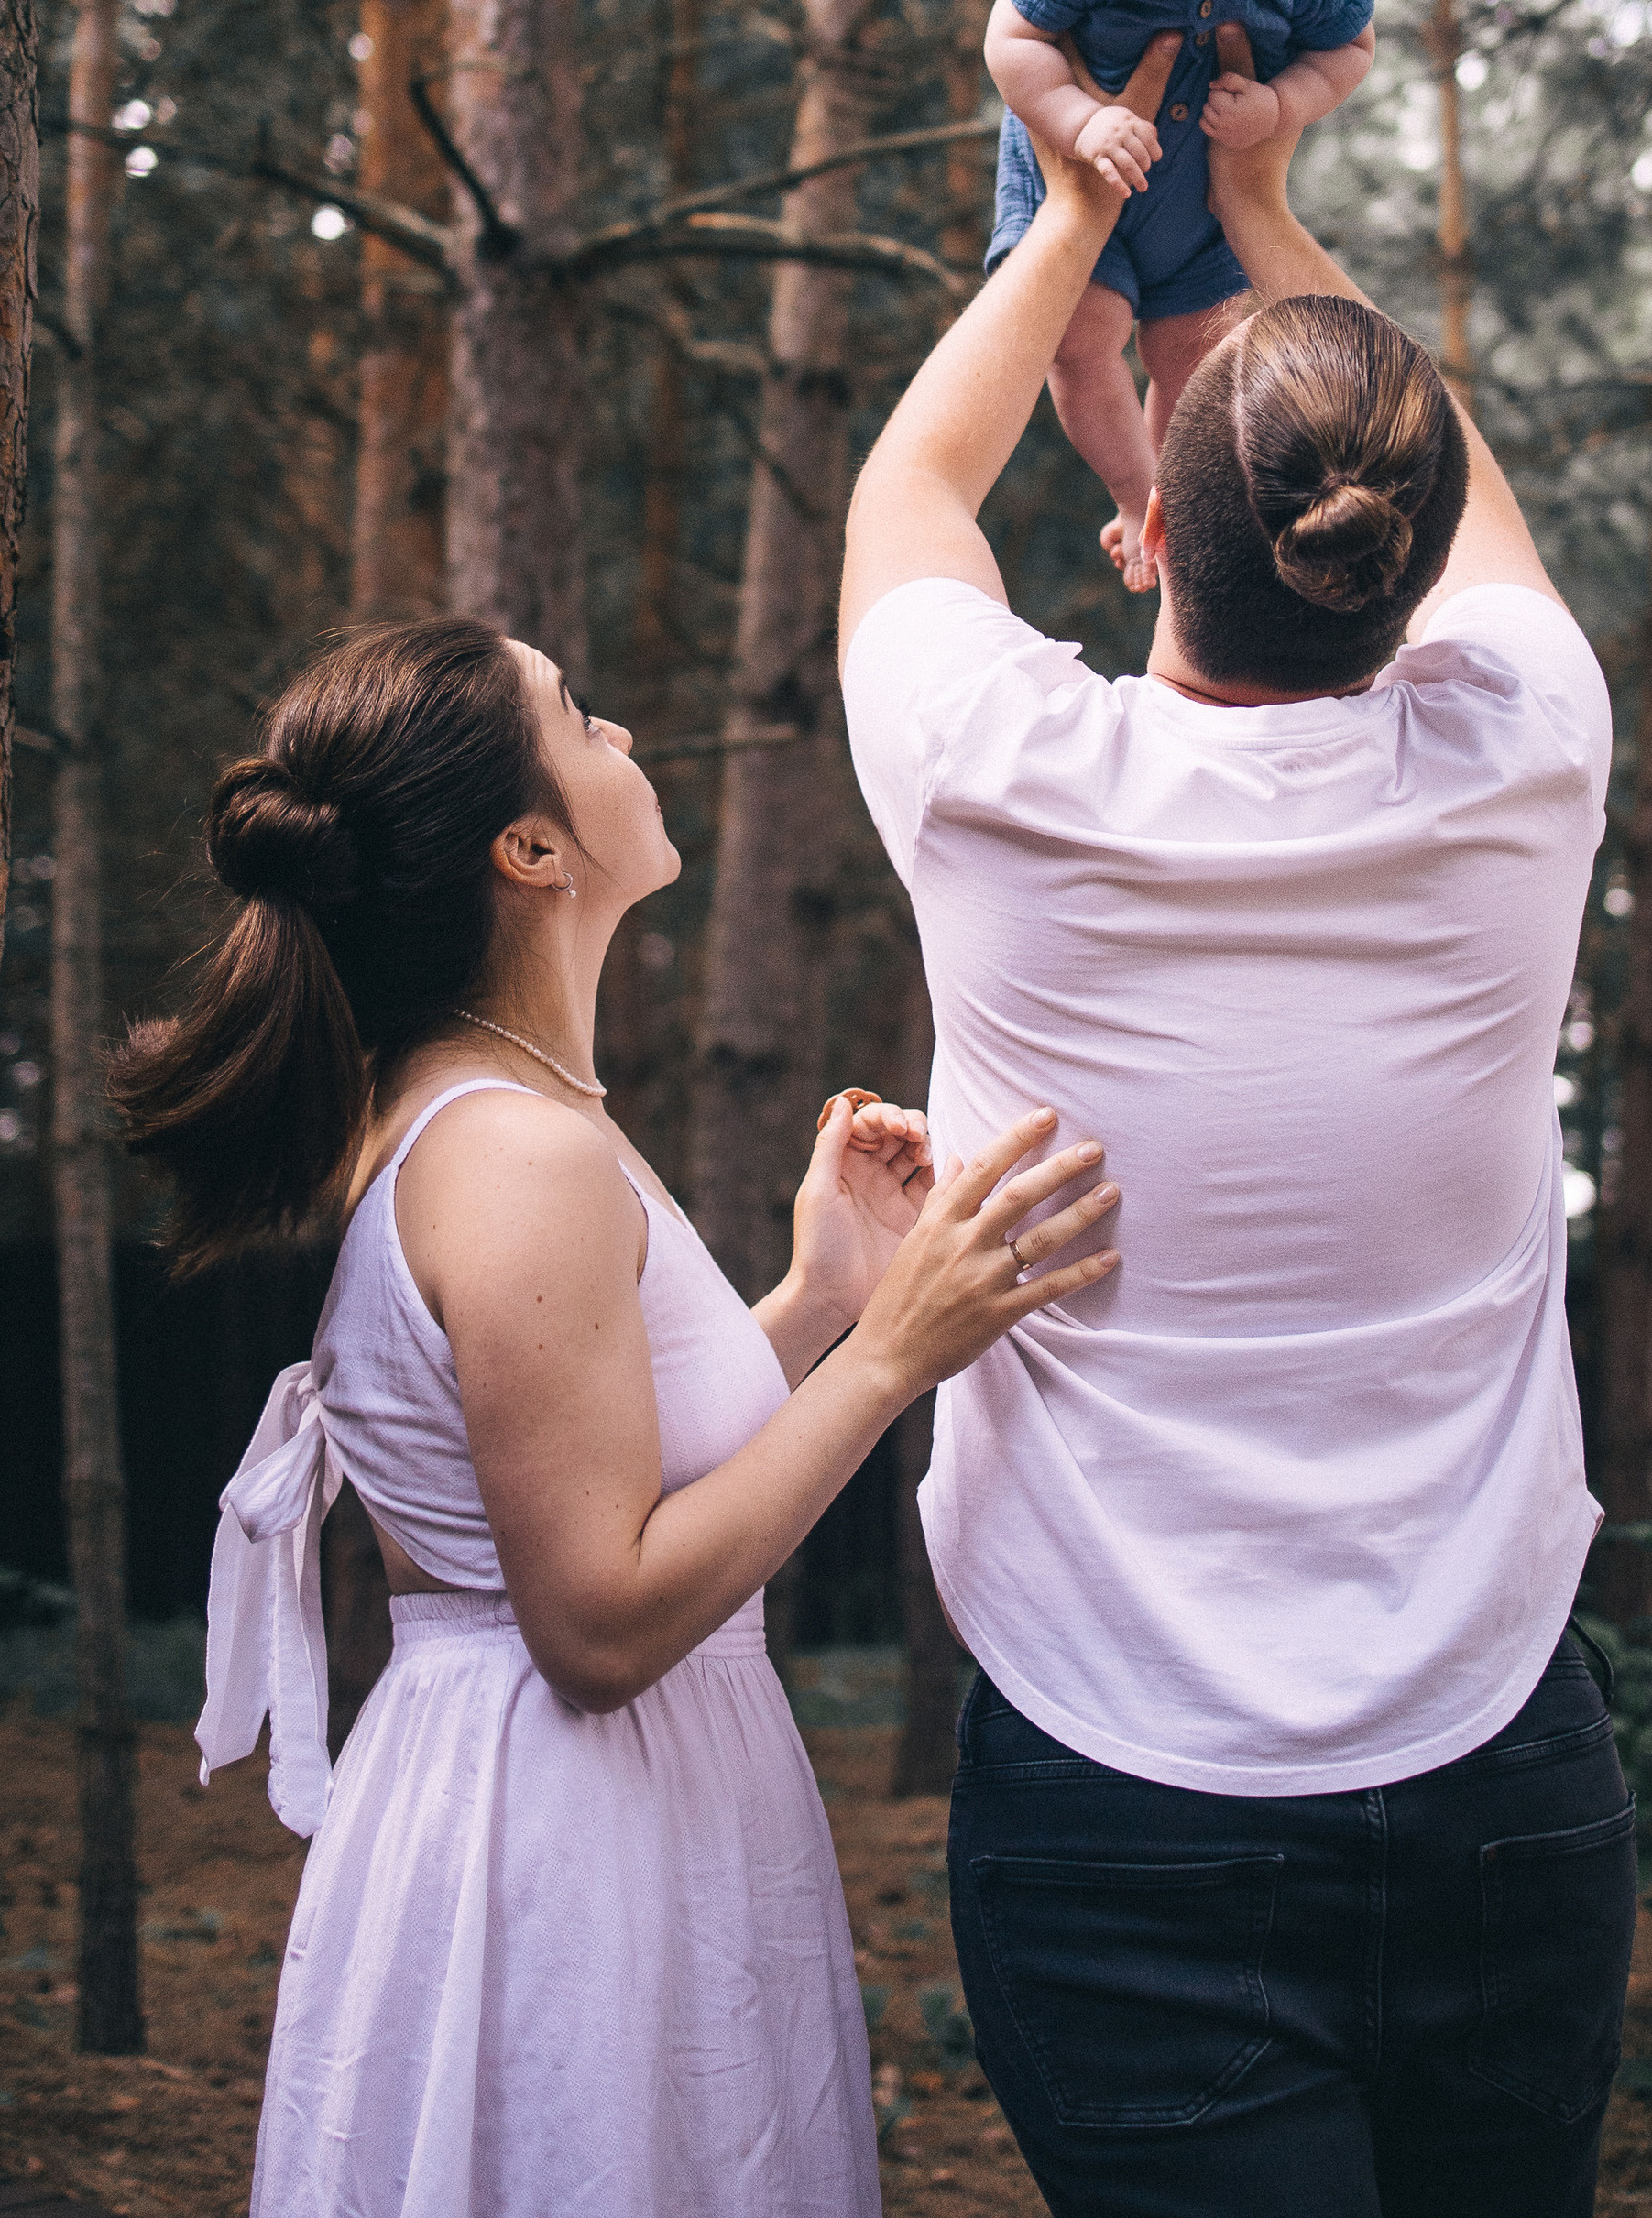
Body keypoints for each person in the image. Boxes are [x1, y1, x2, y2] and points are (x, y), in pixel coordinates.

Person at [840, 104, 1633, 2215]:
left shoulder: (1002, 770)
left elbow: (909, 485)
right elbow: (1465, 518)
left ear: (1149, 534)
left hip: (1119, 1796)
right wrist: (1267, 205)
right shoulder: (1524, 754)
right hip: (1503, 1765)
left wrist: (1084, 201)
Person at [109, 618, 1121, 2218]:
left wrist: (818, 1305)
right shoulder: (518, 1152)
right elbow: (594, 1621)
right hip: (568, 1843)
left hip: (596, 1807)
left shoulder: (512, 1115)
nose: (627, 733)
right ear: (530, 845)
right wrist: (894, 1357)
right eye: (582, 718)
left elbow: (597, 1462)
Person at [982, 0, 1376, 588]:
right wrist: (1080, 123)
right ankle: (1133, 495)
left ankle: (1179, 506)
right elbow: (1010, 44)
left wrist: (1280, 105)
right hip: (1072, 179)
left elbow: (1348, 49)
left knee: (1196, 358)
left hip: (1199, 203)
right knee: (1079, 337)